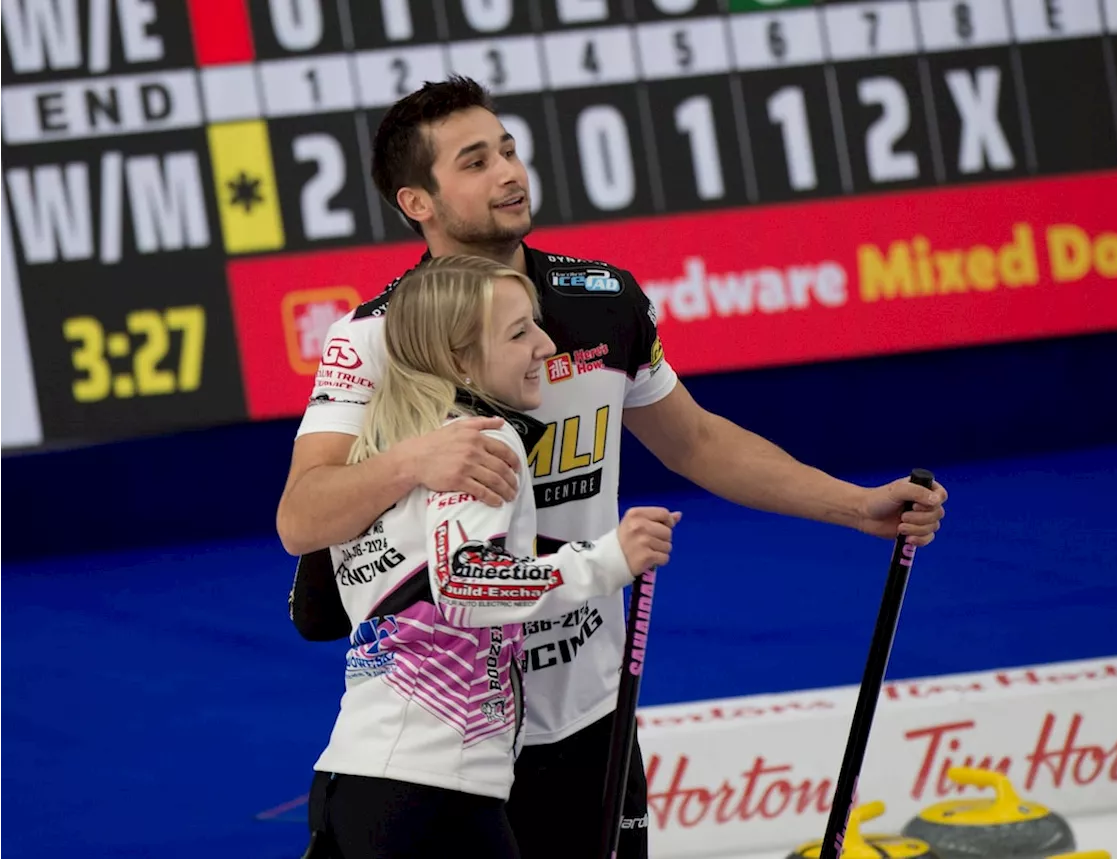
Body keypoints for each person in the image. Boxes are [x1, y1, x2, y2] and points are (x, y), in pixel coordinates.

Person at [278, 76, 948, 859]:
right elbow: (303, 515)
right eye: (474, 162)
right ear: (417, 201)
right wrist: (413, 458)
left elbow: (696, 441)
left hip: (590, 714)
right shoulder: (372, 338)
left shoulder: (604, 302)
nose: (508, 172)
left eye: (508, 148)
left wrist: (854, 506)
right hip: (442, 735)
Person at [299, 254, 682, 859]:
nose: (547, 343)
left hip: (360, 781)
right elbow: (463, 585)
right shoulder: (480, 439)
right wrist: (607, 561)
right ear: (458, 360)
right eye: (519, 331)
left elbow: (316, 610)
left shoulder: (379, 455)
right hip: (429, 795)